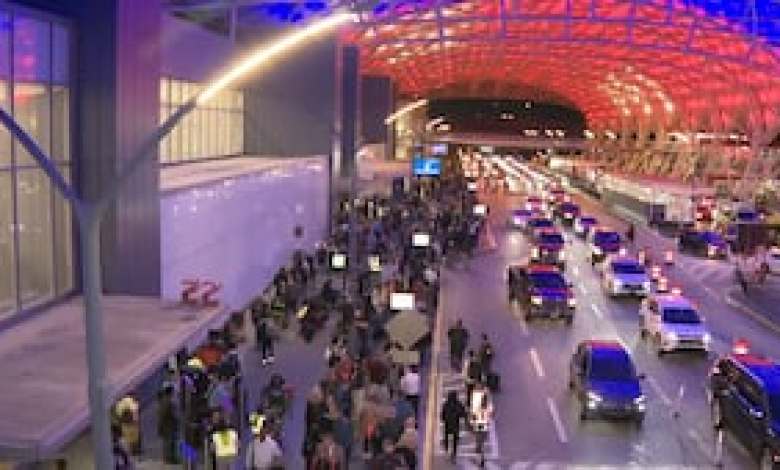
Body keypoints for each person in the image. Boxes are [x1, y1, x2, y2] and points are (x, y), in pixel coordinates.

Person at [440, 390, 467, 463]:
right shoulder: (458, 404)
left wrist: (444, 419)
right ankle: (454, 454)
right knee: (455, 440)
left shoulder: (446, 404)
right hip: (455, 425)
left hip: (448, 425)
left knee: (446, 437)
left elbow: (442, 415)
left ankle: (446, 451)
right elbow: (463, 413)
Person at [157, 386, 179, 464]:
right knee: (169, 443)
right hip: (169, 426)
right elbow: (167, 415)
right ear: (170, 393)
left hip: (167, 426)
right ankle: (170, 459)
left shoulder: (163, 401)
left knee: (168, 442)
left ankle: (168, 458)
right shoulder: (168, 402)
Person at [471, 392, 494, 468]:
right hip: (484, 428)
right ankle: (481, 459)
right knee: (480, 445)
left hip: (479, 428)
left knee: (478, 446)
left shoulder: (478, 408)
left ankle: (481, 460)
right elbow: (492, 414)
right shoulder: (488, 408)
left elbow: (474, 418)